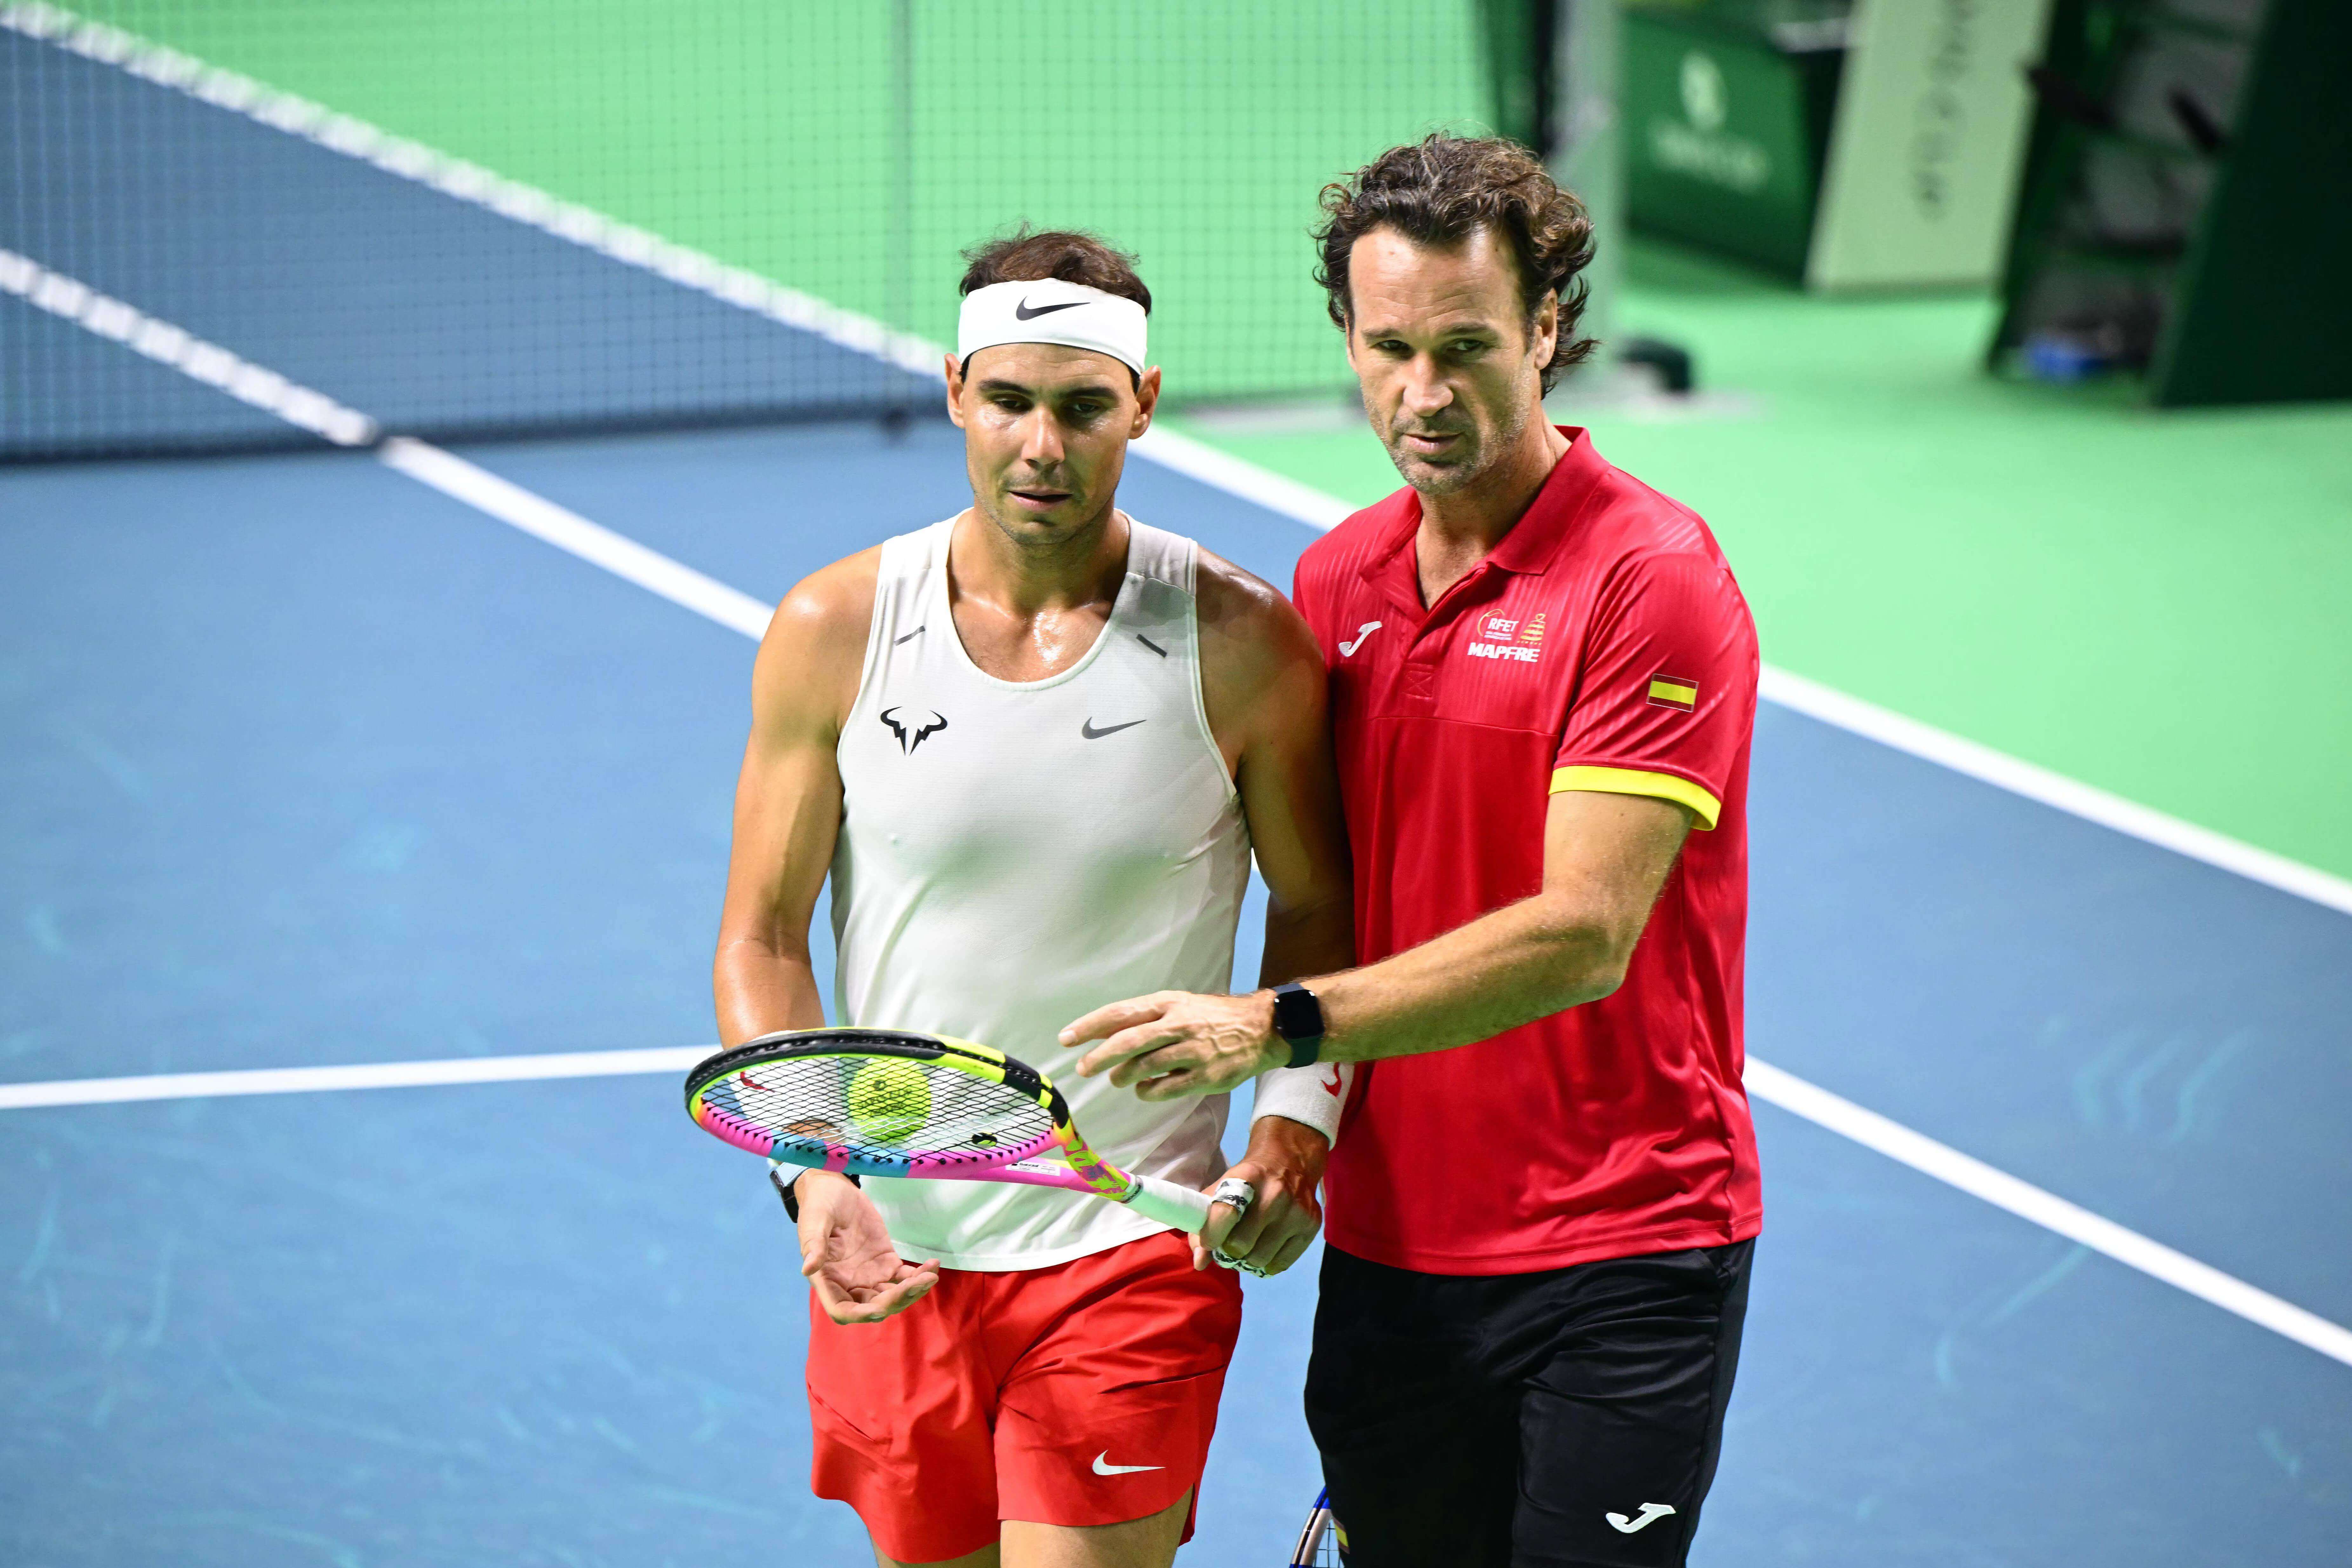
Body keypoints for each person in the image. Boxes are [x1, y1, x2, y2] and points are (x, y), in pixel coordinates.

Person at [1063, 137, 1763, 1568]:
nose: (1422, 395)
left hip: (1621, 1241)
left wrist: (1269, 1029)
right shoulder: (1339, 579)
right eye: (1389, 348)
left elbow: (1583, 934)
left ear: (1547, 330)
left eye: (1466, 347)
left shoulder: (1650, 579)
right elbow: (1331, 902)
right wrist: (1293, 1135)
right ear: (1349, 334)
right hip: (1392, 1249)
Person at [711, 227, 1353, 1568]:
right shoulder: (834, 629)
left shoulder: (1241, 642)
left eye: (1082, 406)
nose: (1041, 444)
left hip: (1128, 1236)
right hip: (899, 1238)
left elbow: (1314, 907)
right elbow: (764, 937)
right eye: (1009, 399)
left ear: (1145, 403)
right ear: (955, 390)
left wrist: (1292, 1127)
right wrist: (813, 1171)